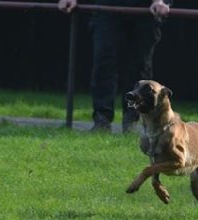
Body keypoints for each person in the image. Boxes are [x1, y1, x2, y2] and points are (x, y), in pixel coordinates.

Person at [58, 0, 171, 132]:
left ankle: (132, 119)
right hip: (107, 6)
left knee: (139, 66)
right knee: (104, 63)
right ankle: (102, 120)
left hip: (144, 8)